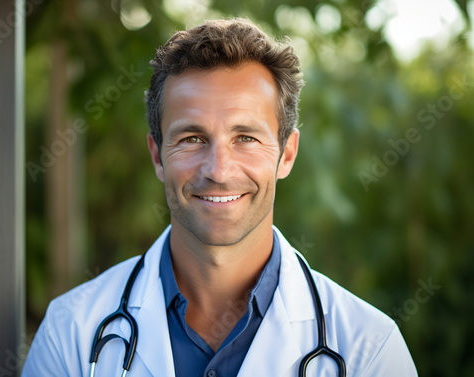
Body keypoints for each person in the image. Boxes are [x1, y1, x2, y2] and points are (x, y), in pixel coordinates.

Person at [22, 18, 418, 377]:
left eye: (245, 137)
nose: (219, 170)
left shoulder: (369, 349)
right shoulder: (72, 332)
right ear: (158, 155)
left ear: (287, 154)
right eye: (192, 138)